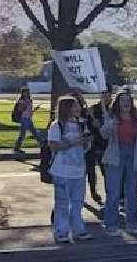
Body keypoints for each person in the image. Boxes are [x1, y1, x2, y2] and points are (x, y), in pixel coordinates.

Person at [49, 95, 93, 244]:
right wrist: (74, 142)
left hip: (79, 170)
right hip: (62, 171)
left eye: (78, 106)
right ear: (66, 108)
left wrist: (87, 142)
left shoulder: (82, 124)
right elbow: (54, 146)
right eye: (74, 106)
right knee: (62, 202)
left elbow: (86, 147)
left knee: (78, 202)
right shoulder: (57, 126)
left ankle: (78, 229)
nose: (78, 109)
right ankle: (61, 231)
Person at [100, 91, 137, 235]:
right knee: (113, 192)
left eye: (128, 100)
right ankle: (111, 225)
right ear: (117, 103)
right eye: (122, 100)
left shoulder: (135, 118)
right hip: (115, 156)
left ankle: (131, 223)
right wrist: (112, 124)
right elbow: (103, 134)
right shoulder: (112, 117)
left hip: (132, 155)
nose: (126, 103)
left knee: (131, 191)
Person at [12, 87, 43, 154]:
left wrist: (36, 108)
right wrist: (25, 105)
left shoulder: (29, 100)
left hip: (28, 119)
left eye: (27, 92)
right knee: (24, 134)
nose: (26, 93)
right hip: (24, 119)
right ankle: (16, 149)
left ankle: (43, 146)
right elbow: (20, 109)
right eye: (25, 92)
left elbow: (30, 111)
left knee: (34, 133)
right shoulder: (21, 100)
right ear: (22, 93)